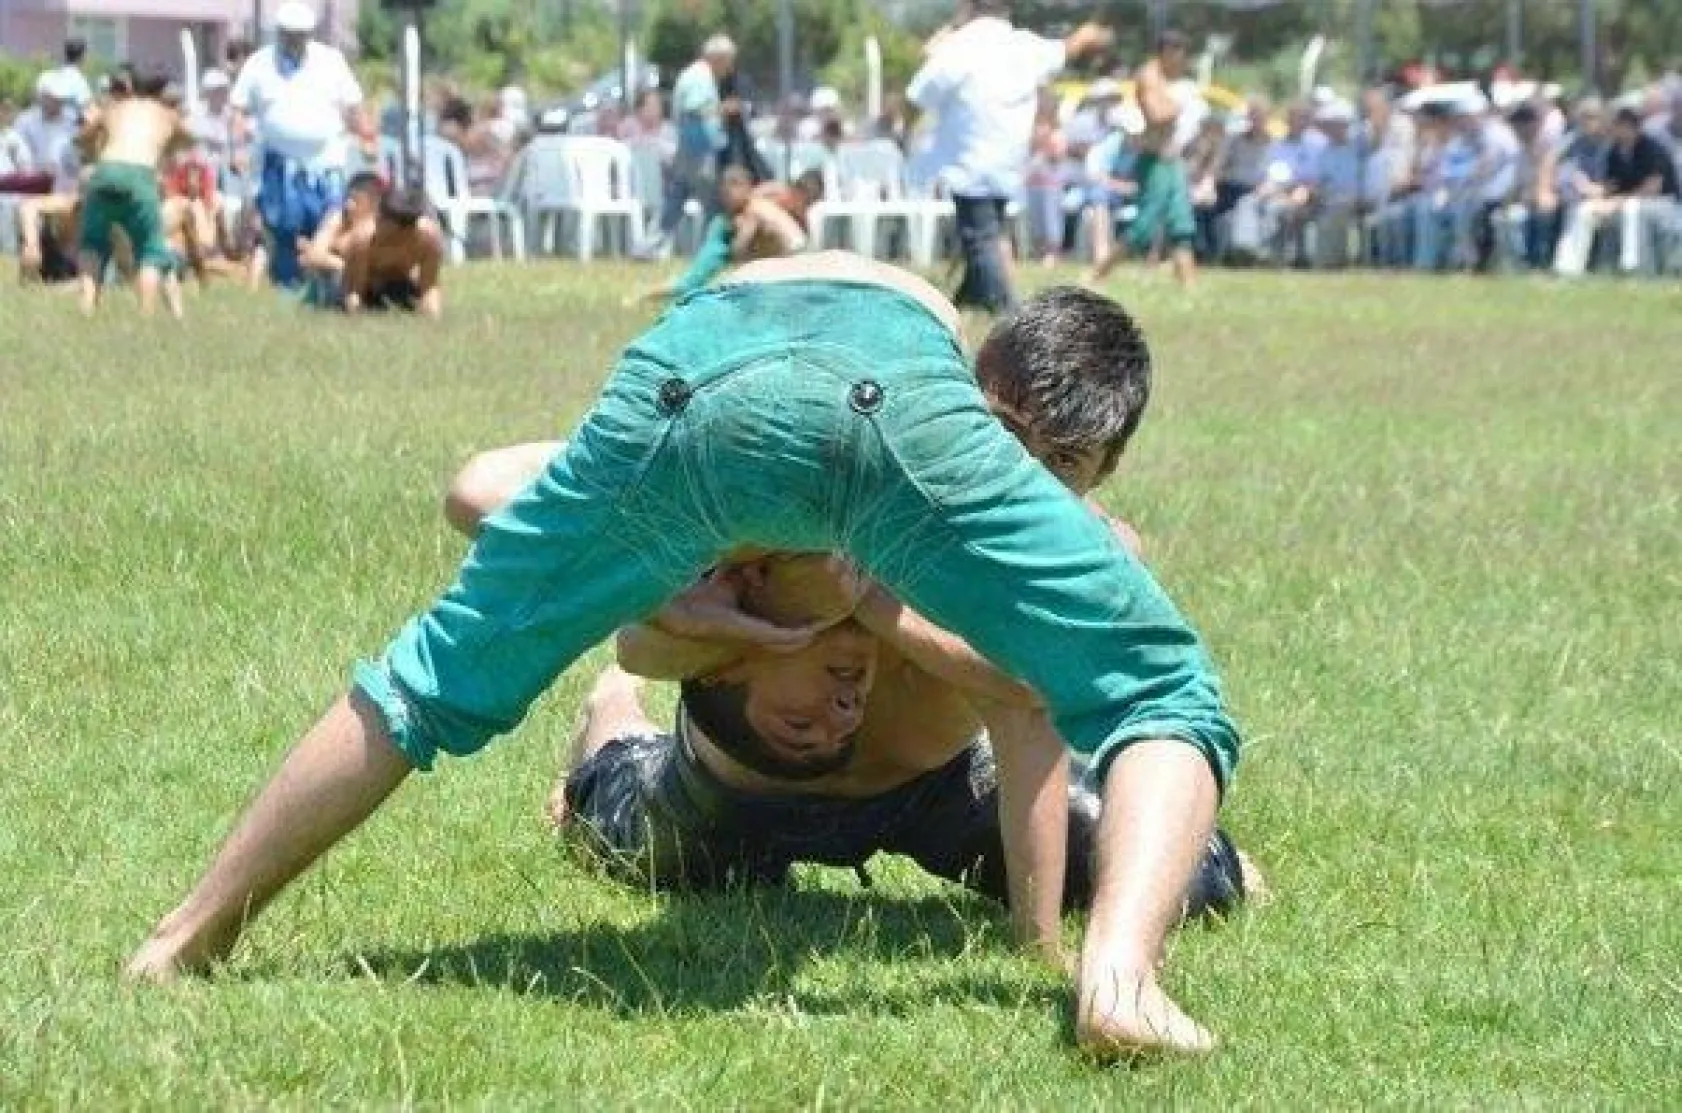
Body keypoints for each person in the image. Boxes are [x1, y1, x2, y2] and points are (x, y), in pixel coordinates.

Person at [126, 252, 1244, 1059]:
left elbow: (485, 492)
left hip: (692, 366)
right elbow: (1073, 697)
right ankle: (1119, 980)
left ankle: (185, 936)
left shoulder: (901, 416)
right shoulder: (947, 447)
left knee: (428, 676)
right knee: (1164, 689)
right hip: (880, 380)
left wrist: (664, 566)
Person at [440, 291, 1258, 927]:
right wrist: (675, 582)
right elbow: (481, 487)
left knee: (1193, 881)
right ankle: (612, 717)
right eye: (1005, 437)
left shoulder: (1089, 560)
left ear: (1103, 475)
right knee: (621, 825)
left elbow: (1025, 694)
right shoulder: (833, 458)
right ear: (955, 400)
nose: (1025, 478)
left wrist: (871, 597)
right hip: (736, 778)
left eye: (1064, 463)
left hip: (938, 786)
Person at [908, 0, 1111, 313]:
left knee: (980, 237)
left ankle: (1006, 309)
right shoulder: (1024, 45)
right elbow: (1065, 50)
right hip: (1009, 158)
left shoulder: (959, 46)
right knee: (987, 232)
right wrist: (1086, 34)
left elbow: (920, 92)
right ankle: (970, 296)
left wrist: (934, 48)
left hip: (970, 159)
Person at [229, 0, 366, 288]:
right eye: (289, 34)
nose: (294, 40)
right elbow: (238, 109)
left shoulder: (330, 61)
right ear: (279, 32)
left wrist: (367, 135)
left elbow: (354, 105)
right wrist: (238, 148)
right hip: (278, 162)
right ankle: (288, 284)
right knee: (283, 225)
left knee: (328, 220)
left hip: (326, 160)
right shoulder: (259, 64)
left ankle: (326, 280)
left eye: (300, 34)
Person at [1088, 32, 1202, 289]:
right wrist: (1181, 105)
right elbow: (1157, 114)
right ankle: (1098, 273)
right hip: (1154, 161)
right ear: (1167, 52)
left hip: (1173, 161)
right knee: (1144, 226)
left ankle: (1189, 285)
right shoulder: (1150, 75)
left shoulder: (1175, 81)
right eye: (1179, 53)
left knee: (1181, 223)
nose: (1183, 60)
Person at [628, 166, 824, 306]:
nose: (807, 207)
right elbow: (746, 207)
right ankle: (642, 294)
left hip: (750, 243)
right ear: (797, 192)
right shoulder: (769, 197)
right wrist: (746, 228)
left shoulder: (796, 213)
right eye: (807, 201)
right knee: (689, 284)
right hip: (726, 233)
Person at [1554, 106, 1681, 276]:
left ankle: (1631, 264)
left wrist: (1618, 201)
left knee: (1632, 208)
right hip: (1623, 200)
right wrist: (1597, 195)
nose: (1616, 129)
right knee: (1584, 210)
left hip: (1664, 203)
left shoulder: (1652, 148)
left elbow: (1652, 188)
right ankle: (1569, 266)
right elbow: (1612, 184)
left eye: (1621, 125)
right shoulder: (1614, 151)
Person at [645, 35, 737, 258]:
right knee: (713, 201)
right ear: (719, 58)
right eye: (728, 62)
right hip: (698, 150)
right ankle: (710, 250)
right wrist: (722, 110)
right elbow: (694, 109)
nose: (729, 68)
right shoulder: (700, 78)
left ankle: (651, 245)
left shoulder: (693, 74)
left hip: (689, 148)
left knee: (676, 199)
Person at [333, 185, 445, 318]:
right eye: (378, 219)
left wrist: (432, 317)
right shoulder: (364, 240)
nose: (377, 223)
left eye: (382, 222)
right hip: (361, 281)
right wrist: (355, 314)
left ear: (410, 229)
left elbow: (429, 287)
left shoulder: (429, 238)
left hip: (398, 282)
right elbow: (355, 292)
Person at [45, 38, 94, 117]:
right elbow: (87, 108)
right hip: (68, 123)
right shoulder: (79, 81)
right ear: (82, 57)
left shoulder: (46, 76)